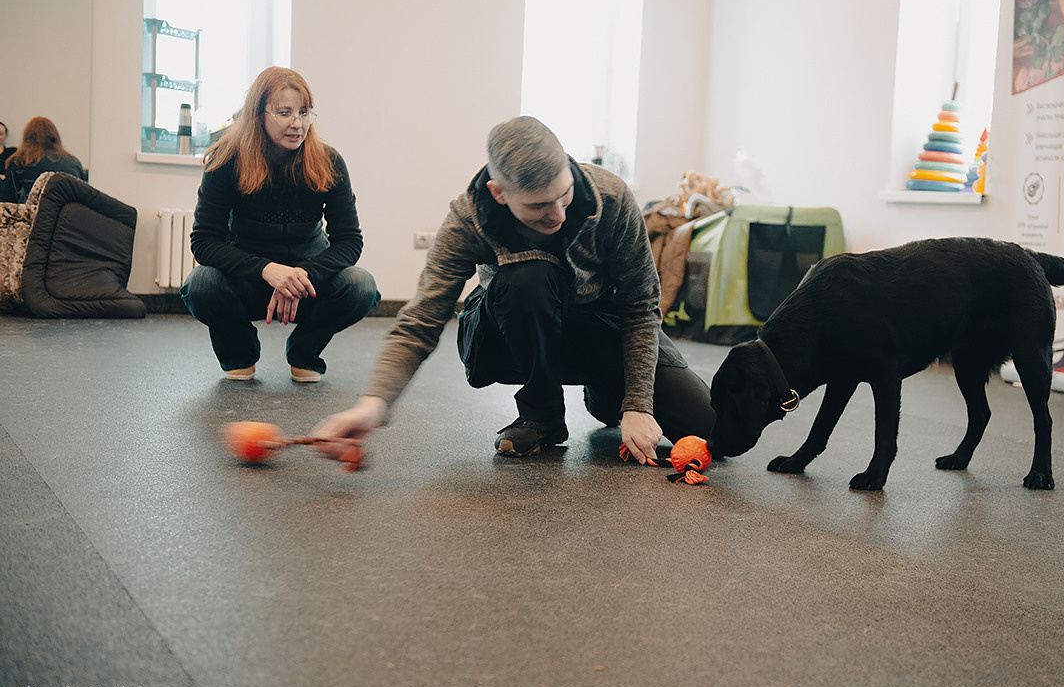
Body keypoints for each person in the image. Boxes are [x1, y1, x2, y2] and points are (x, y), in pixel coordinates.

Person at [312, 116, 715, 463]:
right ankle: (541, 412)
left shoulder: (611, 197)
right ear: (499, 193)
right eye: (539, 206)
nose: (556, 214)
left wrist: (637, 404)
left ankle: (608, 392)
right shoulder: (468, 218)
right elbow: (421, 319)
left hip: (601, 322)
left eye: (564, 195)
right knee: (527, 277)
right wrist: (373, 404)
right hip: (513, 328)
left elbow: (641, 305)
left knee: (712, 430)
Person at [180, 67, 380, 382]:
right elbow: (204, 242)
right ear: (258, 115)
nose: (297, 124)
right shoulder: (226, 161)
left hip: (307, 284)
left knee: (361, 286)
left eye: (303, 112)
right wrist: (268, 270)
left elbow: (349, 241)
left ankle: (304, 352)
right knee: (201, 284)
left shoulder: (329, 162)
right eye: (284, 113)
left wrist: (303, 274)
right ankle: (239, 353)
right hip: (248, 281)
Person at [0, 117, 86, 203]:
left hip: (36, 213)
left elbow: (8, 198)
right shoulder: (73, 161)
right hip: (68, 214)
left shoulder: (20, 160)